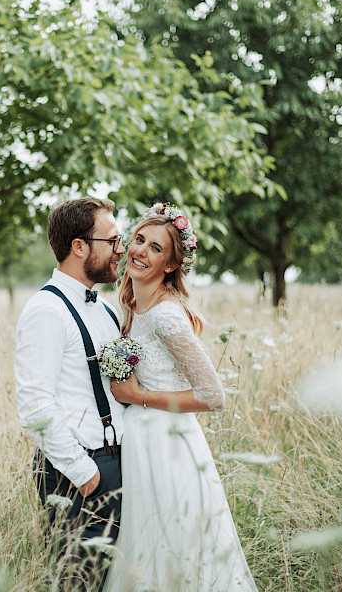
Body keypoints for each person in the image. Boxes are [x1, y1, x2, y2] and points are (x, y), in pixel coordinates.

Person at [104, 203, 257, 591]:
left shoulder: (167, 315)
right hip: (140, 441)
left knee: (175, 547)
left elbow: (213, 395)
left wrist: (138, 396)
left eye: (156, 248)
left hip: (169, 445)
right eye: (139, 239)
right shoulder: (134, 304)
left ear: (171, 265)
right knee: (146, 549)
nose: (141, 251)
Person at [15, 197, 127, 588]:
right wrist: (86, 475)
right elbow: (34, 406)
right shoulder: (46, 310)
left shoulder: (105, 308)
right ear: (79, 246)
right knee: (79, 581)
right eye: (112, 240)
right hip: (78, 473)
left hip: (118, 463)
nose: (121, 249)